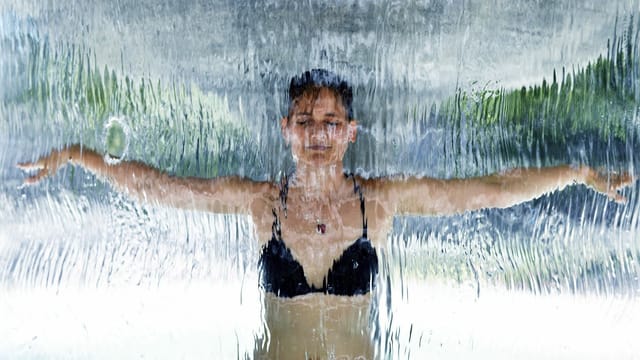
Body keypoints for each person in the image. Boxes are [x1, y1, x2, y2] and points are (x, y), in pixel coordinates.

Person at [18, 69, 633, 359]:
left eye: (331, 122)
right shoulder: (261, 203)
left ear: (350, 132)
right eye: (306, 121)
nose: (318, 132)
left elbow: (489, 189)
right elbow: (162, 189)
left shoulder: (380, 202)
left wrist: (576, 173)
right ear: (286, 129)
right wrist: (80, 156)